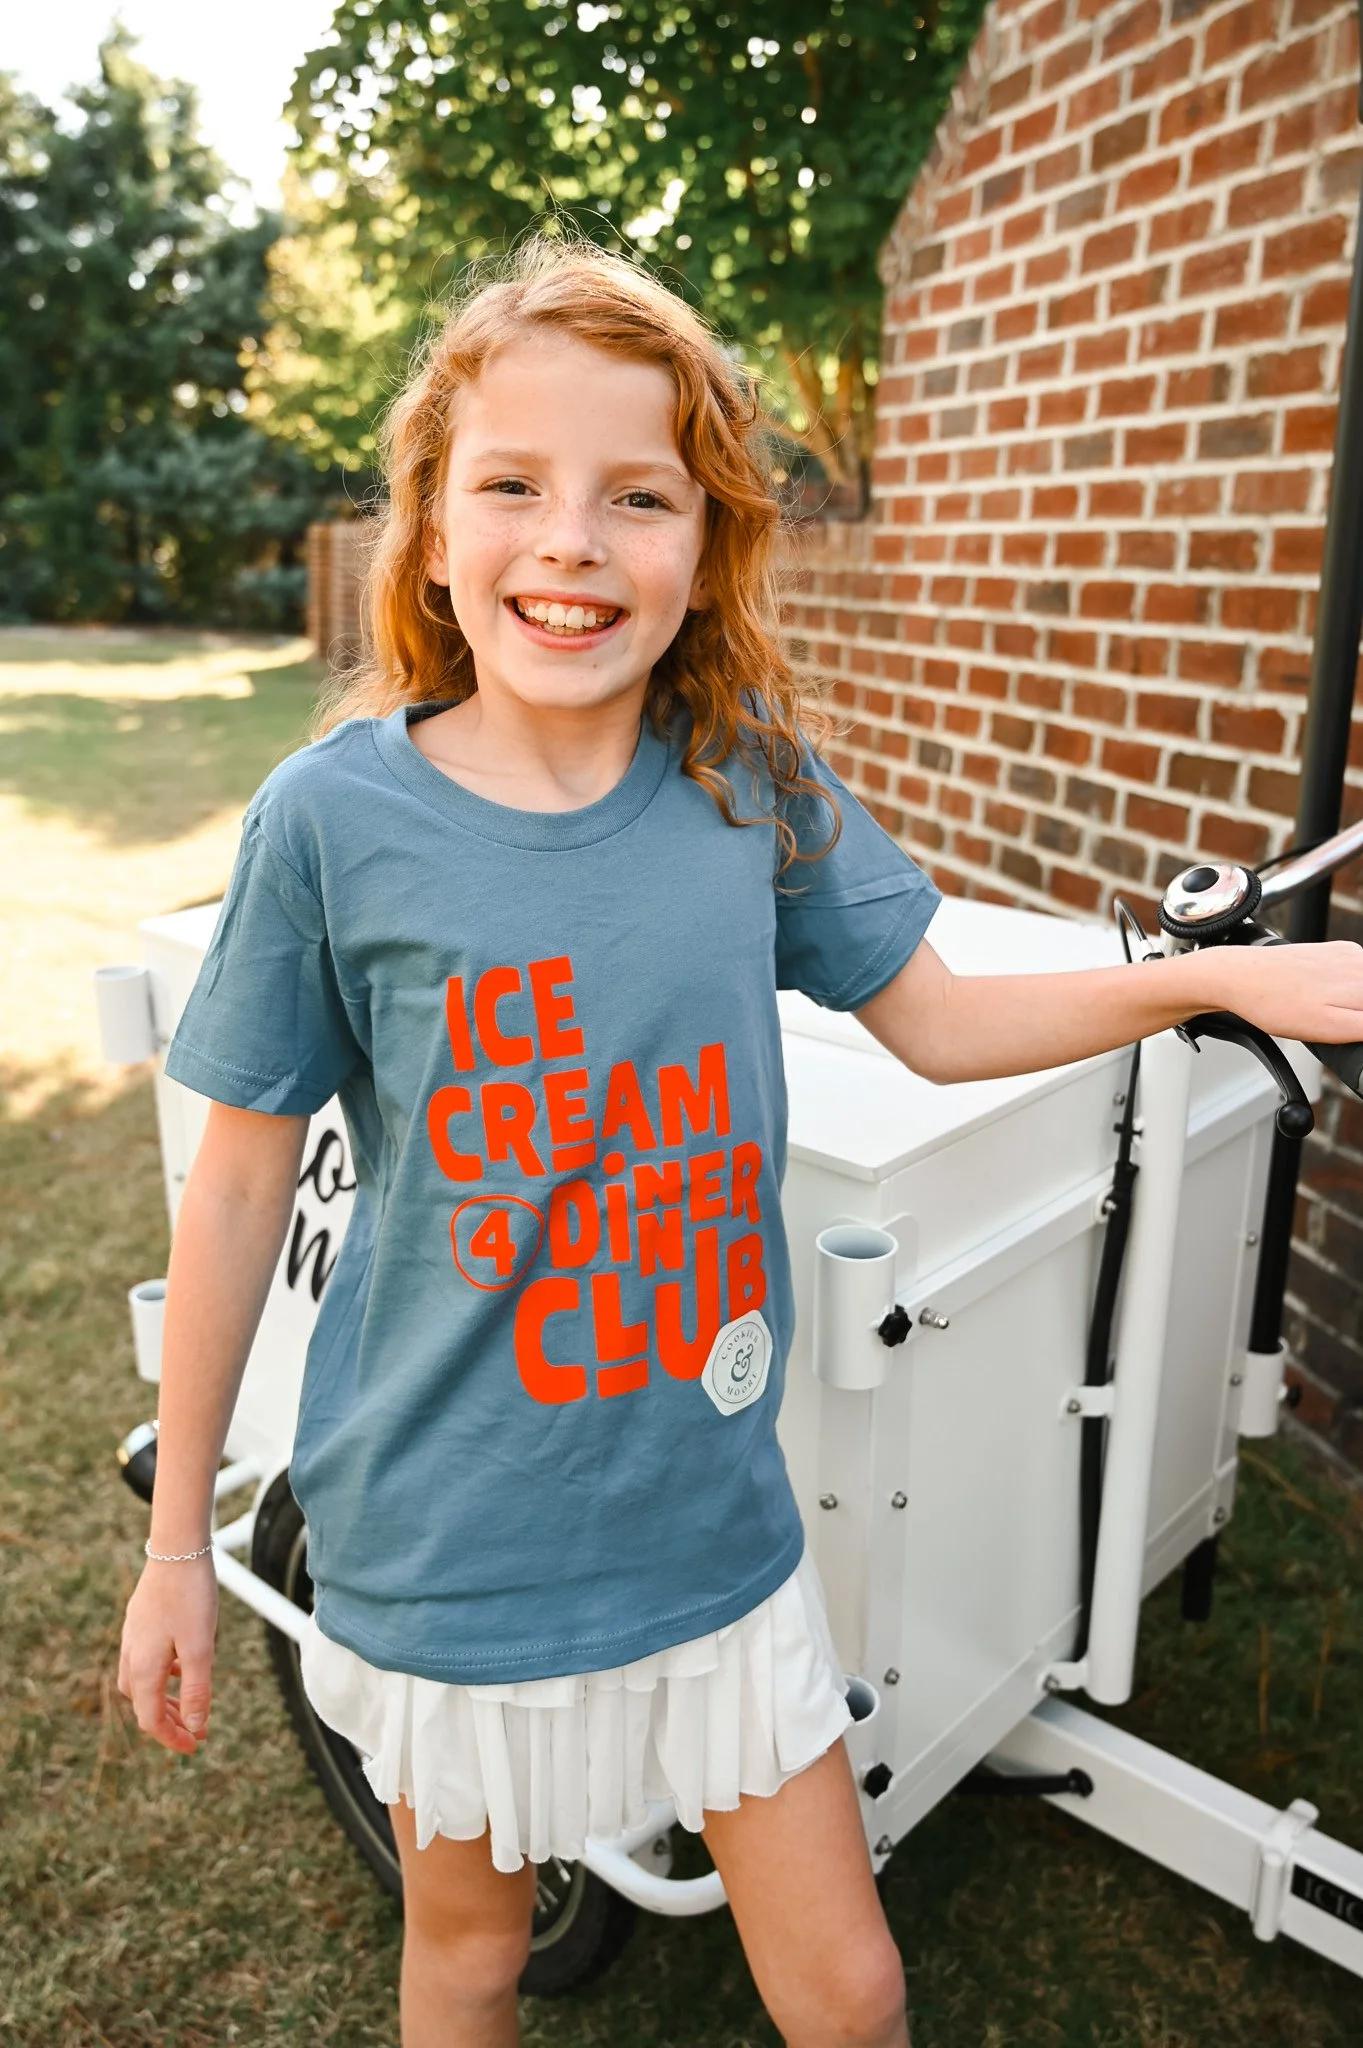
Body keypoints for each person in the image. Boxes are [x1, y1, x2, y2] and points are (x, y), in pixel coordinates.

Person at [118, 236, 1363, 2048]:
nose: (571, 542)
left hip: (711, 1531)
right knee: (465, 1957)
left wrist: (1211, 989)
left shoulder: (741, 780)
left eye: (638, 496)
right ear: (431, 522)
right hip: (447, 1539)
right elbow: (237, 1181)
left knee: (850, 1992)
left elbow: (937, 1021)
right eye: (515, 487)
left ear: (703, 544)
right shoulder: (334, 821)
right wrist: (176, 1551)